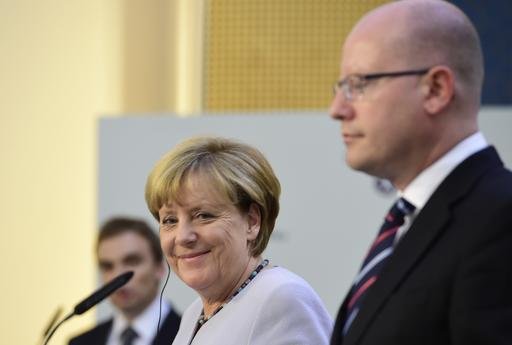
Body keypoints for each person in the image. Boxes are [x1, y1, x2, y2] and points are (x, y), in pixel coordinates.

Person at [328, 1, 512, 344]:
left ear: (436, 89)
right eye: (340, 88)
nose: (337, 109)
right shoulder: (409, 221)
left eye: (360, 84)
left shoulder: (500, 218)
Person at [145, 136, 333, 345]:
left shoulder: (281, 298)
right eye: (170, 220)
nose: (182, 236)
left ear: (252, 222)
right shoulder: (193, 313)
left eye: (204, 215)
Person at [69, 217, 181, 345]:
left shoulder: (193, 338)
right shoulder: (80, 342)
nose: (117, 276)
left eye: (131, 261)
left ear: (159, 268)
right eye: (107, 266)